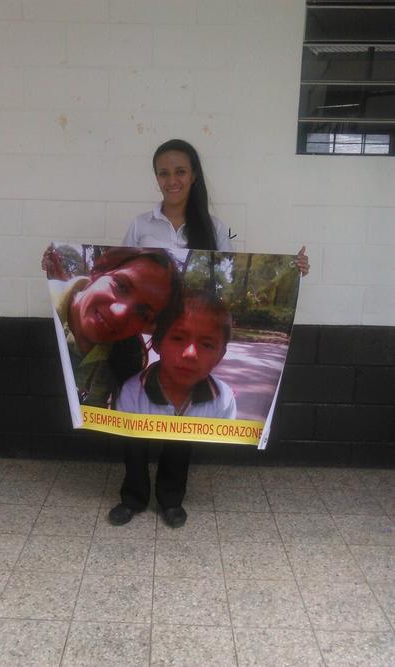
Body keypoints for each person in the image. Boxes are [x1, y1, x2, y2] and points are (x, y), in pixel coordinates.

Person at [109, 138, 310, 528]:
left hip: (187, 333)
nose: (172, 180)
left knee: (182, 421)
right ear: (156, 178)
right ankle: (133, 496)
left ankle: (170, 498)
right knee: (132, 419)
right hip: (151, 336)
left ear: (194, 175)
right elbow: (122, 275)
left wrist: (291, 268)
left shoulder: (215, 229)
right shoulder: (140, 225)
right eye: (164, 173)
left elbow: (236, 280)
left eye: (180, 171)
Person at [45, 246, 181, 408]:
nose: (119, 313)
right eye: (122, 286)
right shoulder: (43, 305)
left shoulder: (127, 357)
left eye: (143, 314)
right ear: (99, 272)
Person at [116, 289, 237, 419]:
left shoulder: (223, 399)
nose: (190, 354)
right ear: (157, 342)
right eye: (178, 338)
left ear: (219, 356)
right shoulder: (132, 393)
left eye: (207, 345)